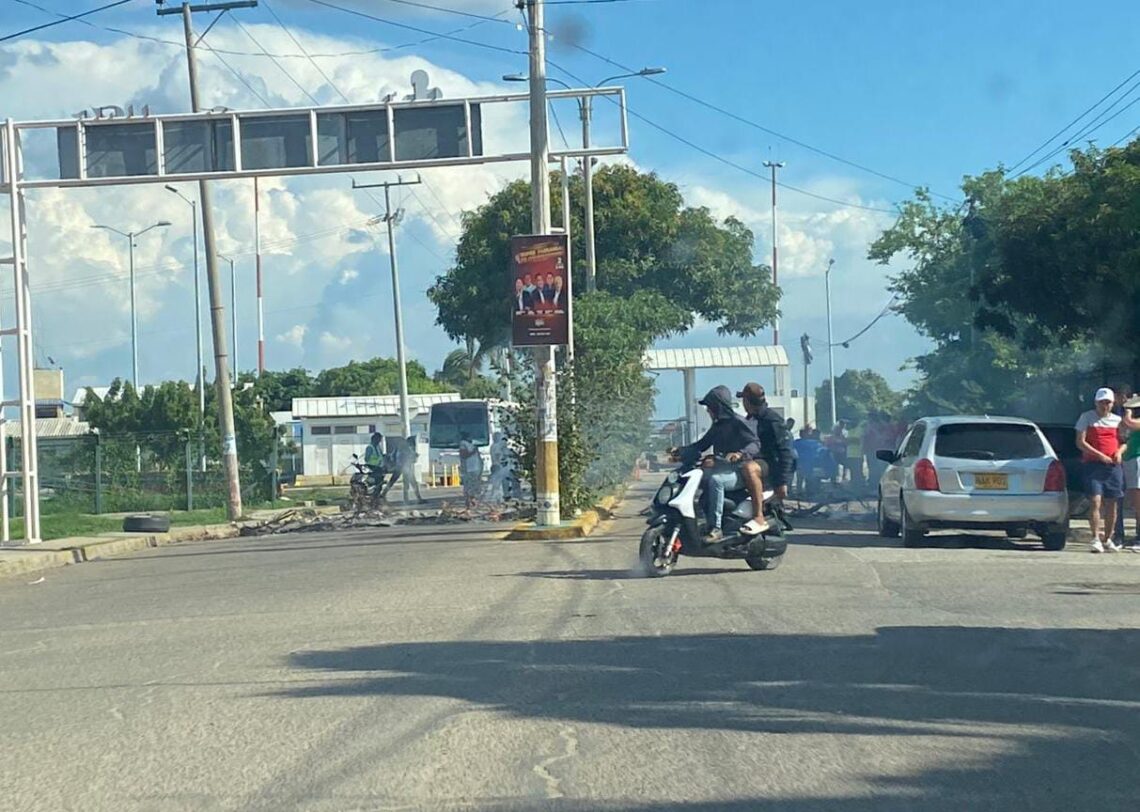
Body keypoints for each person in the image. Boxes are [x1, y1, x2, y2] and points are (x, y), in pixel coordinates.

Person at [676, 385, 762, 543]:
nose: (708, 411)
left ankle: (716, 528)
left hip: (739, 471)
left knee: (716, 481)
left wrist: (740, 454)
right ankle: (703, 520)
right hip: (723, 468)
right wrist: (680, 451)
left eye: (710, 407)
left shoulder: (738, 422)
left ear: (717, 407)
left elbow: (755, 443)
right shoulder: (717, 426)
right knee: (698, 478)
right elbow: (701, 444)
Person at [737, 383, 795, 528]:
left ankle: (758, 516)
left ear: (748, 402)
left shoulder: (771, 420)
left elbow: (785, 451)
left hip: (771, 464)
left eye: (744, 400)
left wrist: (782, 482)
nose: (743, 403)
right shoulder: (750, 419)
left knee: (750, 469)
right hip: (760, 460)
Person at [1075, 387, 1125, 553]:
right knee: (1095, 501)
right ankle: (1095, 537)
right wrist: (1099, 455)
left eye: (1108, 402)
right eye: (1102, 402)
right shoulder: (1087, 418)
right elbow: (1080, 442)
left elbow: (1124, 441)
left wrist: (1118, 452)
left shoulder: (1118, 420)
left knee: (1112, 503)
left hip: (1113, 467)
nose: (1105, 405)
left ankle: (1108, 538)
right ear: (1096, 402)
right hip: (1093, 466)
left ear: (1112, 403)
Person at [1111, 385, 1134, 544]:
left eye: (1116, 397)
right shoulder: (1111, 414)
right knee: (1117, 496)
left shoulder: (1133, 413)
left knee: (1135, 497)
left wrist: (1129, 410)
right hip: (1117, 459)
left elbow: (1129, 425)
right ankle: (1118, 533)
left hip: (1133, 457)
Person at [1120, 393, 1140, 551]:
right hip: (1129, 459)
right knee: (1134, 501)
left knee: (1138, 501)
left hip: (1138, 460)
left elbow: (1128, 422)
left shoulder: (1135, 420)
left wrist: (1128, 407)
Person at [458, 431, 484, 510]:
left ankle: (473, 502)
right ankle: (468, 504)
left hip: (475, 468)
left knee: (475, 487)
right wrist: (473, 452)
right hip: (469, 469)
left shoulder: (472, 444)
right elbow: (463, 455)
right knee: (469, 487)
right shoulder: (463, 444)